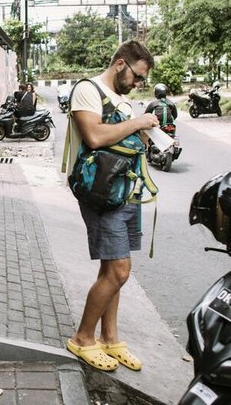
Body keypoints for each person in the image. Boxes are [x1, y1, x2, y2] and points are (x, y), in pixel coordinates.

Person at [64, 40, 159, 372]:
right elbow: (94, 137)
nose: (138, 84)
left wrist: (148, 136)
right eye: (137, 76)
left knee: (111, 272)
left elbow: (125, 141)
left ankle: (110, 338)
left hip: (126, 191)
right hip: (101, 193)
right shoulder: (88, 91)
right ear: (121, 64)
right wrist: (137, 124)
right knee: (120, 271)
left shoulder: (124, 103)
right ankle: (83, 339)